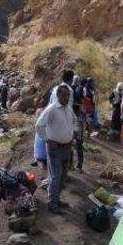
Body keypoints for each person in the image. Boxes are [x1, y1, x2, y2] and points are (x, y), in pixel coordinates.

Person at [35, 85, 76, 214]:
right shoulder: (52, 109)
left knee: (63, 176)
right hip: (55, 149)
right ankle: (52, 203)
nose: (66, 97)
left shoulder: (68, 108)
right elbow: (39, 125)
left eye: (68, 95)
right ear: (58, 96)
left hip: (66, 147)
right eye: (64, 95)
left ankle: (57, 200)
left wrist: (72, 134)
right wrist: (47, 139)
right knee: (55, 176)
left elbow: (74, 121)